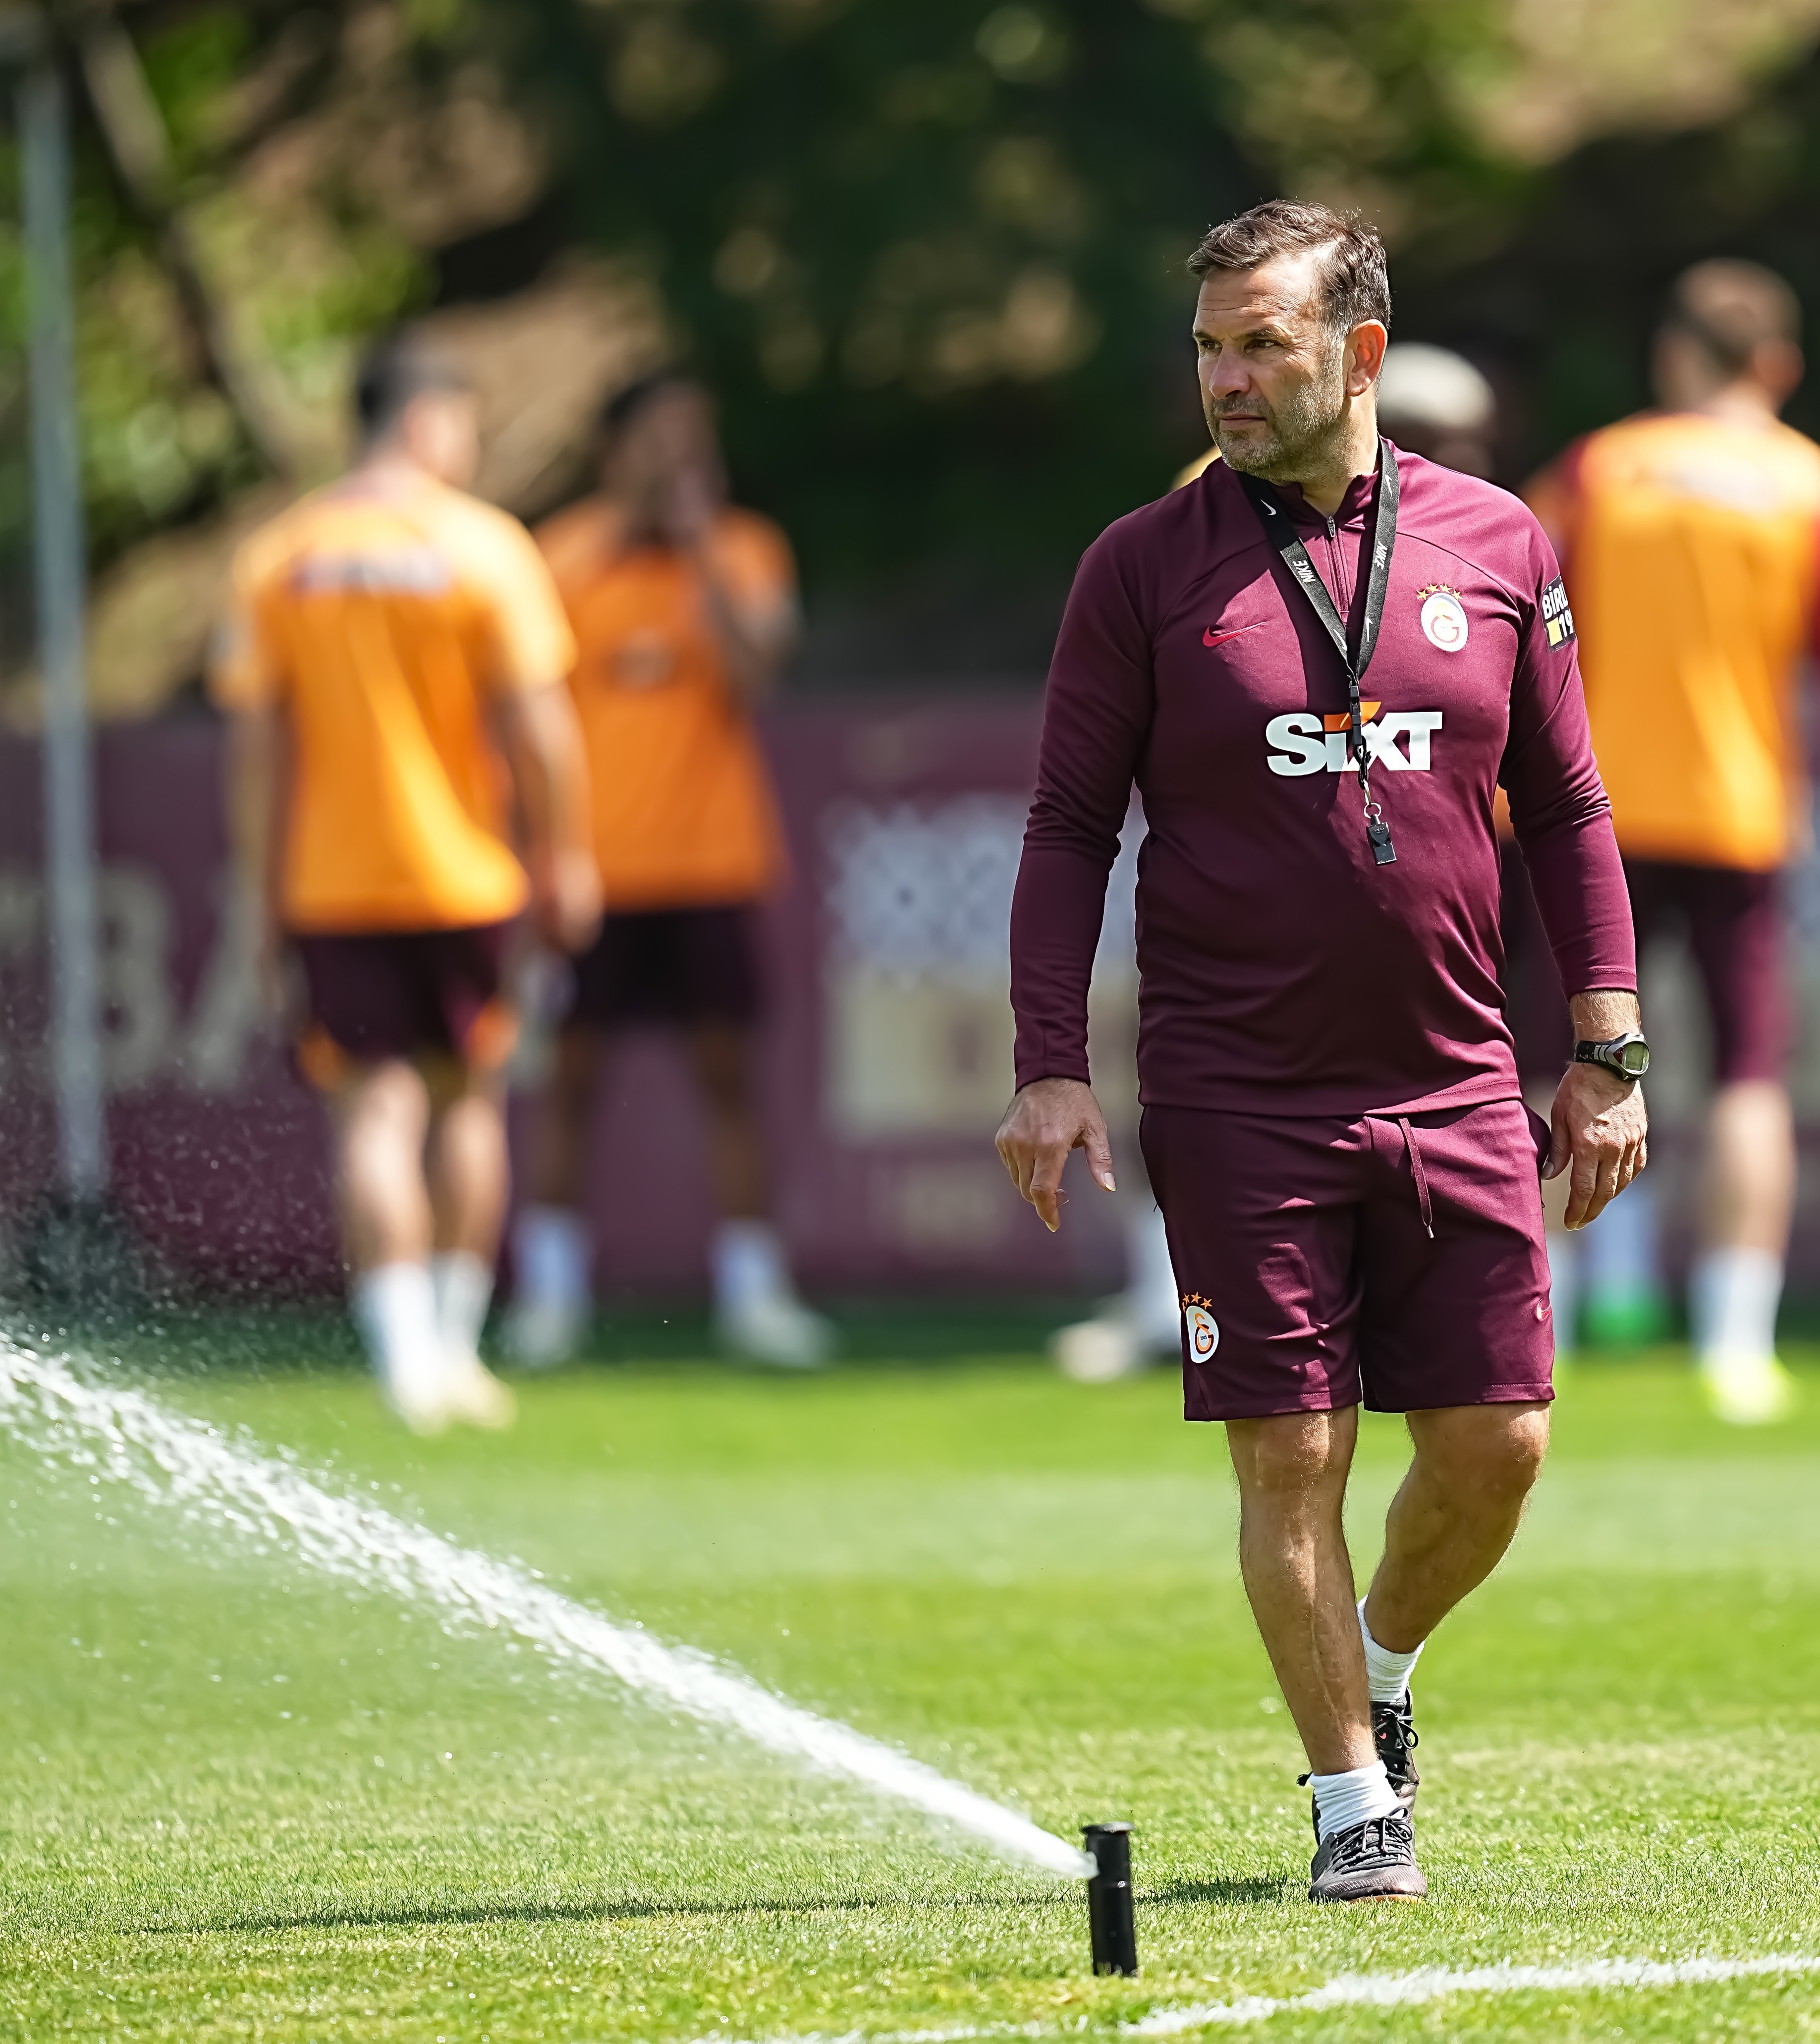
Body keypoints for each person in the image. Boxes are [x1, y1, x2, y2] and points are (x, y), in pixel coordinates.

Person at [995, 200, 1646, 1903]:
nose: (1224, 377)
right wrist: (1048, 1060)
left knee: (1497, 1444)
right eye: (1207, 346)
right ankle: (1353, 1798)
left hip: (1454, 1075)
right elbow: (1066, 827)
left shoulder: (1497, 539)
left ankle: (1379, 1661)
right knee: (1292, 1450)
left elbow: (1568, 806)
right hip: (1236, 1093)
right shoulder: (1138, 568)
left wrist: (1608, 1045)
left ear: (1357, 353)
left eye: (1259, 343)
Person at [211, 331, 599, 1433]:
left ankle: (402, 1360)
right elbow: (539, 725)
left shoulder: (282, 554)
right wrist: (567, 853)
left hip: (333, 882)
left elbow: (256, 748)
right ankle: (458, 1347)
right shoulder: (483, 546)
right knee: (467, 1099)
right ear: (428, 421)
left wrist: (260, 892)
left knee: (373, 1114)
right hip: (465, 877)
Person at [1527, 260, 1820, 1424]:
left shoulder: (1601, 467)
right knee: (1747, 1072)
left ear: (1671, 355)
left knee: (1560, 1056)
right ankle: (1735, 1342)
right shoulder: (1804, 481)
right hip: (1740, 810)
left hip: (1585, 813)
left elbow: (1514, 614)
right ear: (1778, 365)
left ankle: (1539, 1317)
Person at [506, 374, 832, 1370]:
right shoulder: (557, 559)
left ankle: (756, 1298)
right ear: (615, 452)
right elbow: (519, 720)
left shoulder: (743, 549)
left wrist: (699, 554)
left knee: (729, 1081)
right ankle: (549, 1302)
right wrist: (544, 856)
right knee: (569, 1082)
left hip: (711, 865)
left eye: (696, 437)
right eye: (661, 437)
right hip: (593, 874)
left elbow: (755, 673)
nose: (682, 456)